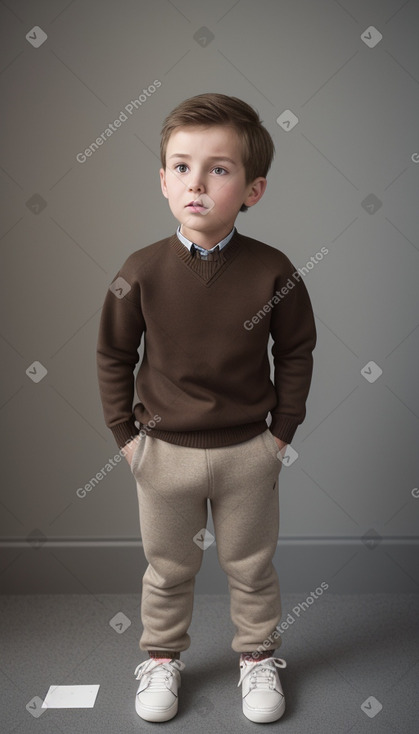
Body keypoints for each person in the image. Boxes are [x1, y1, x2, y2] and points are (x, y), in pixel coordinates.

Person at [96, 92, 317, 724]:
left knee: (251, 566)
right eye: (182, 166)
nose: (198, 183)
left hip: (250, 450)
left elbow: (296, 351)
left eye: (219, 169)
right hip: (162, 453)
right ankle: (162, 659)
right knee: (167, 569)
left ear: (253, 189)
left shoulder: (275, 272)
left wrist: (280, 434)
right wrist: (126, 437)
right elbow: (113, 354)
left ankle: (257, 658)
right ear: (163, 179)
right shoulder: (137, 272)